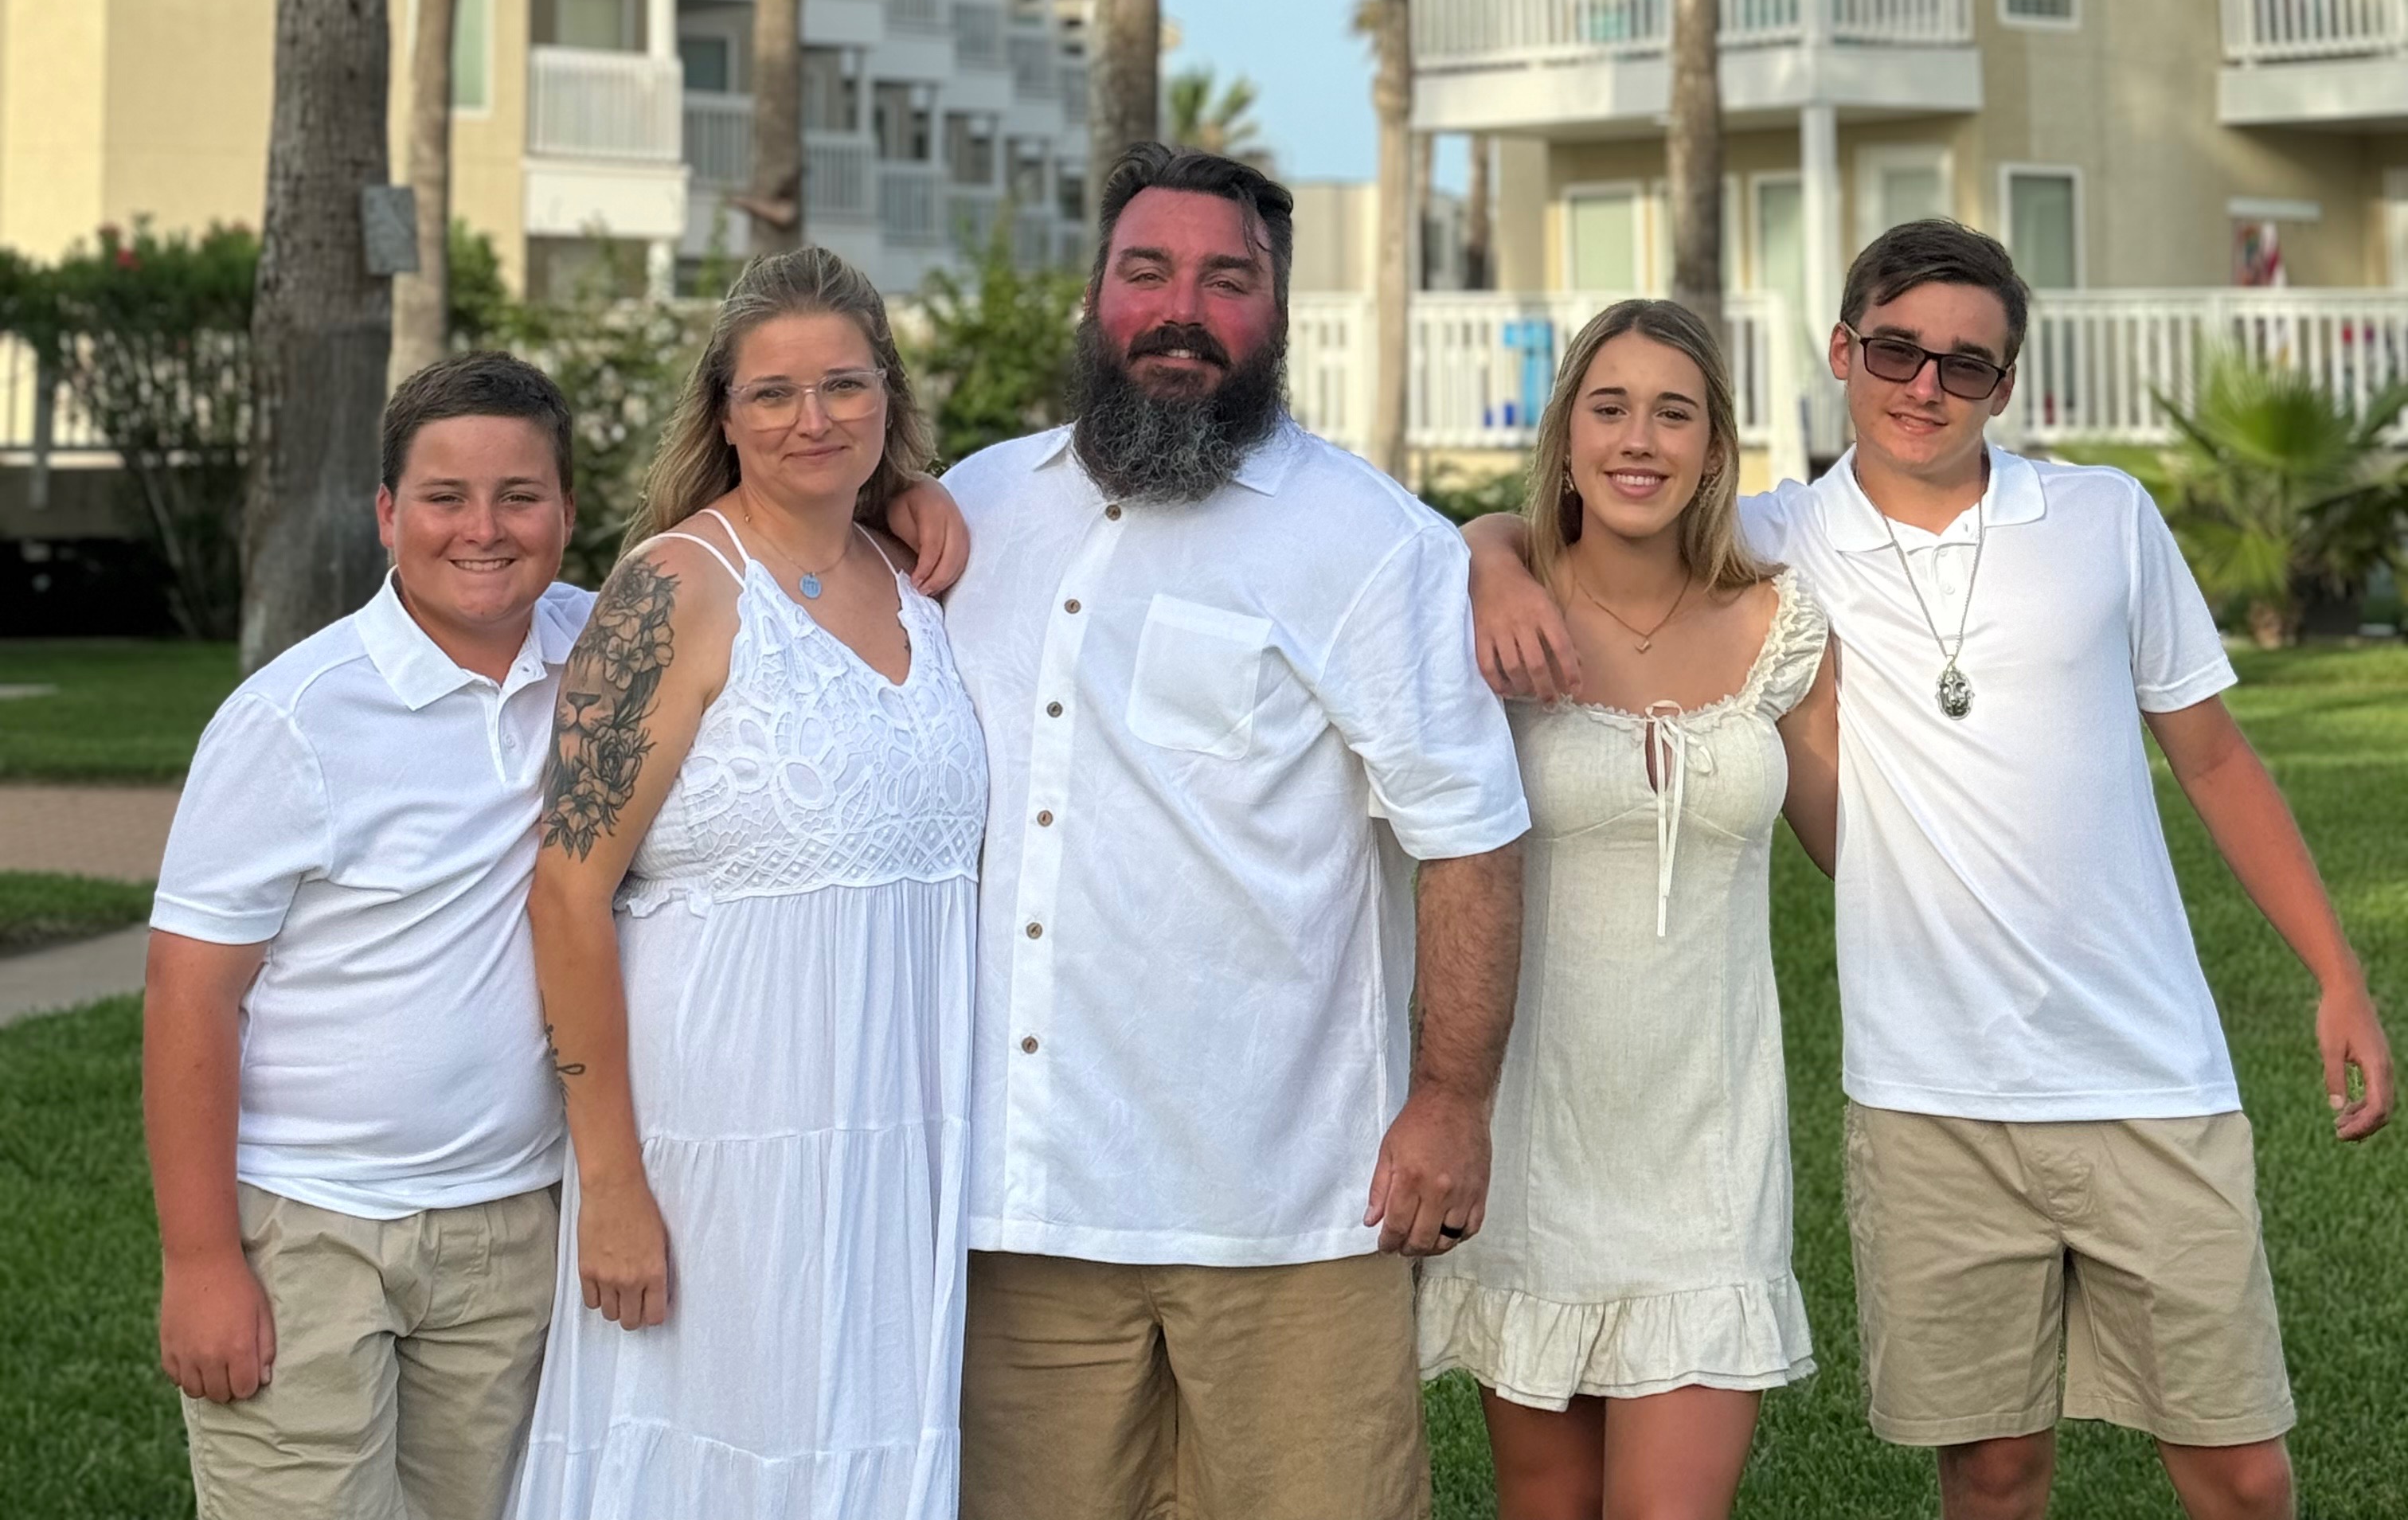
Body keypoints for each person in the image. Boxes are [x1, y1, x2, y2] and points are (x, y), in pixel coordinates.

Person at [1471, 218, 2396, 1520]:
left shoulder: (2104, 519)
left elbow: (2217, 758)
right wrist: (1488, 555)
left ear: (2004, 386)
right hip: (1924, 1094)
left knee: (2241, 1473)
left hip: (2146, 1069)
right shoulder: (1778, 541)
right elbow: (1578, 519)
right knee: (1993, 1472)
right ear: (1842, 351)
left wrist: (2337, 973)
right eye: (1897, 350)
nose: (1925, 386)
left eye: (1967, 365)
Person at [940, 140, 1530, 1520]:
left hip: (1288, 1212)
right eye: (1147, 271)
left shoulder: (1369, 541)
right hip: (1019, 1208)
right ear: (1096, 293)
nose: (1182, 310)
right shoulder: (973, 511)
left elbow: (1472, 839)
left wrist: (1451, 1102)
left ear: (1279, 312)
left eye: (1228, 279)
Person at [513, 246, 988, 1520]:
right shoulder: (674, 589)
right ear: (723, 414)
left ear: (889, 398)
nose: (811, 418)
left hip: (898, 1141)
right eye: (773, 393)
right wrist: (612, 1184)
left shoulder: (921, 581)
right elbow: (565, 896)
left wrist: (917, 496)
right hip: (715, 1147)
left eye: (845, 385)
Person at [145, 353, 589, 1520]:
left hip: (512, 1223)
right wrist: (201, 1262)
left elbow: (768, 574)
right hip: (308, 1225)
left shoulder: (606, 658)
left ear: (568, 510)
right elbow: (190, 995)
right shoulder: (293, 718)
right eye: (445, 497)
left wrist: (903, 508)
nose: (483, 529)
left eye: (520, 495)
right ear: (388, 514)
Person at [1421, 297, 1837, 1520]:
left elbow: (1864, 858)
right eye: (1609, 409)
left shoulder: (1783, 626)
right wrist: (1490, 557)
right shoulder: (1492, 620)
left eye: (1674, 413)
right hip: (1536, 1142)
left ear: (1716, 449)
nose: (1639, 440)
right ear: (1566, 437)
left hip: (1709, 1151)